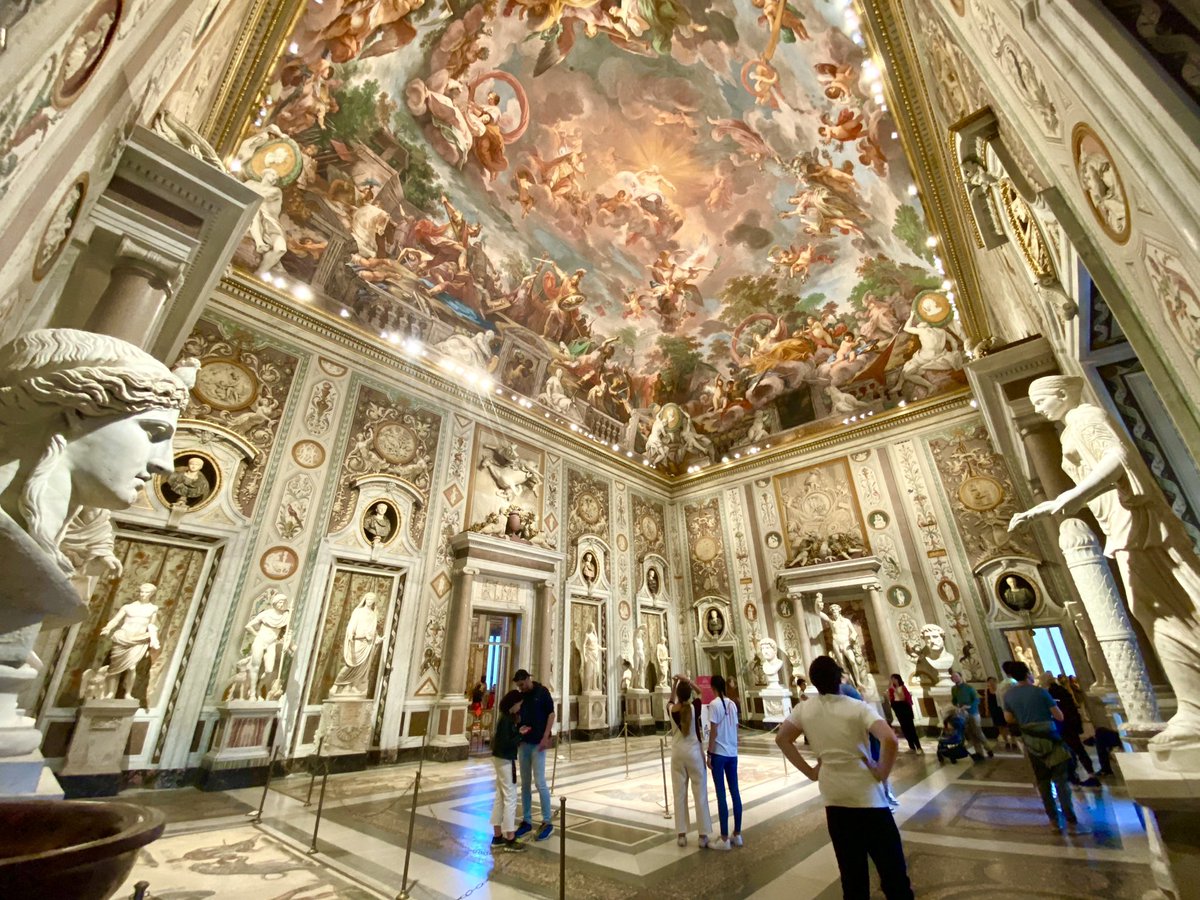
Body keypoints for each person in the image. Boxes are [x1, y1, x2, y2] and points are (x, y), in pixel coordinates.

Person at [776, 656, 913, 899]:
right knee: (893, 872)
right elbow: (890, 738)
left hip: (834, 797)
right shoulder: (856, 707)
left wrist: (810, 772)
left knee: (852, 875)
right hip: (867, 796)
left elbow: (782, 739)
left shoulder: (805, 708)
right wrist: (882, 771)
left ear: (814, 682)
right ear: (840, 678)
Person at [1004, 661, 1083, 833]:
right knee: (1061, 782)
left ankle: (1054, 820)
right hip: (1051, 739)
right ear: (1027, 674)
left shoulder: (1009, 696)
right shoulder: (1040, 692)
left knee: (1043, 783)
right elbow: (1059, 716)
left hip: (1031, 742)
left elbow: (1009, 719)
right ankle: (1071, 818)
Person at [669, 676, 714, 848]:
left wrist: (674, 684)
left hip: (677, 754)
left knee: (679, 794)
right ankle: (703, 836)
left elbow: (670, 700)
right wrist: (687, 679)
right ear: (689, 695)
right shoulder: (694, 707)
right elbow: (701, 692)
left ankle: (681, 834)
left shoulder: (672, 709)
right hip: (694, 753)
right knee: (699, 793)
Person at [513, 669, 555, 841]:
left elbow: (551, 714)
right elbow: (517, 716)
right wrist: (517, 731)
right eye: (518, 686)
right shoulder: (521, 696)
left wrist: (546, 736)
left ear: (528, 679)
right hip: (524, 744)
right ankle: (527, 821)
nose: (521, 688)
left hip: (538, 744)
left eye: (522, 685)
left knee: (540, 782)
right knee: (524, 784)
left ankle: (547, 822)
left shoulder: (542, 692)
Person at [1040, 673, 1100, 787]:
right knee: (1077, 750)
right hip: (1070, 724)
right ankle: (1087, 774)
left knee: (1072, 751)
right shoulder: (1061, 690)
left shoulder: (1052, 693)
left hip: (1064, 725)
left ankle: (1079, 775)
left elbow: (1057, 710)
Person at [707, 674, 742, 849]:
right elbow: (735, 727)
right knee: (735, 792)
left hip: (719, 753)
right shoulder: (732, 704)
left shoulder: (714, 705)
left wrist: (709, 752)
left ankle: (723, 838)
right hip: (732, 753)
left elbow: (713, 731)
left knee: (721, 794)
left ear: (713, 687)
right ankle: (737, 834)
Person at [490, 690, 526, 852]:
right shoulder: (505, 720)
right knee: (510, 796)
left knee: (500, 795)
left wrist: (517, 731)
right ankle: (510, 838)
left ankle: (497, 835)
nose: (520, 707)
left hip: (500, 758)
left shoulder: (506, 718)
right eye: (519, 704)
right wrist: (520, 734)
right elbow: (506, 742)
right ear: (513, 703)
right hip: (504, 759)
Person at [949, 671, 992, 761]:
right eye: (953, 677)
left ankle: (988, 748)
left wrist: (968, 705)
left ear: (960, 676)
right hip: (963, 714)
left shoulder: (969, 687)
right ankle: (979, 753)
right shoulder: (954, 689)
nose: (954, 678)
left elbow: (977, 700)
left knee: (978, 732)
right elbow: (954, 700)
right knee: (971, 734)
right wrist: (957, 705)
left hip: (973, 712)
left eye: (956, 676)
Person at [887, 674, 922, 753]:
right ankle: (911, 747)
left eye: (893, 679)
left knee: (911, 728)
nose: (892, 681)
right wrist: (889, 693)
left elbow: (903, 698)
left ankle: (918, 747)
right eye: (891, 679)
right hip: (898, 709)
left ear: (897, 679)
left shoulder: (902, 687)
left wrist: (894, 689)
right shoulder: (892, 689)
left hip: (905, 708)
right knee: (905, 729)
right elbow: (891, 699)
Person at [984, 676, 1015, 750]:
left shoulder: (999, 689)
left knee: (1007, 725)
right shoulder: (987, 690)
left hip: (1001, 708)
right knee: (1000, 726)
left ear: (995, 681)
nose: (991, 683)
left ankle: (1013, 741)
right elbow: (986, 701)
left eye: (992, 681)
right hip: (994, 709)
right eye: (989, 681)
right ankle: (1006, 741)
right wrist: (987, 710)